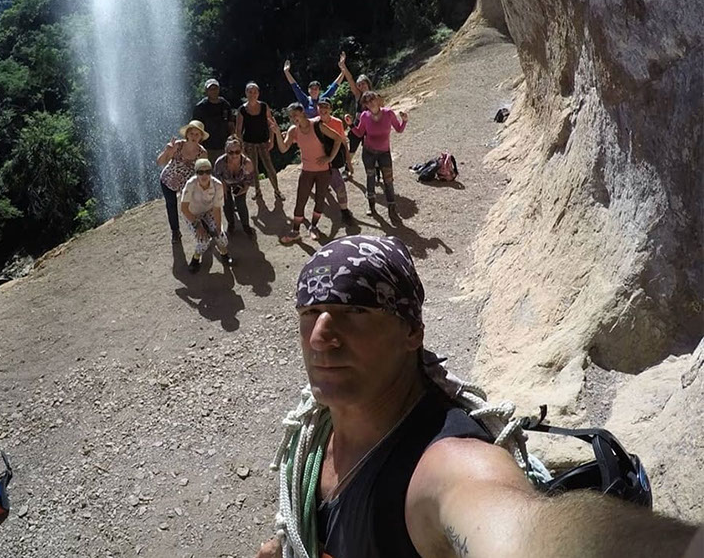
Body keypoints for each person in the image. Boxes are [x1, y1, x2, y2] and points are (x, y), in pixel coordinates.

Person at [256, 235, 700, 558]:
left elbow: (520, 534)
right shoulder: (318, 431)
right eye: (311, 311)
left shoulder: (445, 464)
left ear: (412, 331)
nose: (320, 337)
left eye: (354, 310)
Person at [275, 103, 345, 243]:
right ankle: (295, 231)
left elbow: (338, 138)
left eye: (295, 114)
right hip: (307, 170)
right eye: (291, 116)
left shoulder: (317, 125)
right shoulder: (293, 130)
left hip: (324, 170)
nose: (293, 118)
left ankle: (314, 226)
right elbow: (283, 148)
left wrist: (330, 158)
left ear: (302, 113)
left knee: (320, 199)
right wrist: (277, 133)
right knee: (301, 200)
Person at [346, 91, 408, 220]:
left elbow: (399, 129)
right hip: (368, 152)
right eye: (367, 102)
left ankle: (392, 211)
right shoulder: (364, 116)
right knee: (370, 178)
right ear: (365, 105)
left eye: (372, 99)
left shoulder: (388, 113)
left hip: (384, 152)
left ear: (377, 100)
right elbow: (359, 133)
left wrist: (404, 121)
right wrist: (351, 124)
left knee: (388, 181)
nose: (370, 103)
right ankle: (371, 207)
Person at [156, 120, 208, 242]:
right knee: (171, 204)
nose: (194, 136)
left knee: (193, 204)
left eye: (197, 134)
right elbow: (160, 162)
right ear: (187, 134)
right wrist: (167, 151)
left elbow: (202, 171)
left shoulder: (202, 153)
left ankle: (203, 227)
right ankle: (175, 232)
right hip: (168, 180)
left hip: (186, 183)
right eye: (191, 133)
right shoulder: (178, 145)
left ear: (201, 137)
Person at [235, 82, 285, 202]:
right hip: (249, 142)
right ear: (246, 93)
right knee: (253, 169)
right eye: (250, 92)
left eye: (255, 92)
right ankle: (257, 191)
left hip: (263, 142)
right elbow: (238, 129)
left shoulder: (263, 106)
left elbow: (271, 123)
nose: (252, 94)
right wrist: (240, 146)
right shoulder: (242, 110)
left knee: (269, 167)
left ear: (258, 93)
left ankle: (277, 190)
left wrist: (271, 140)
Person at [179, 158, 231, 272]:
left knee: (222, 238)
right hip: (192, 213)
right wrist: (197, 225)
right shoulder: (190, 184)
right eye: (200, 172)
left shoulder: (217, 185)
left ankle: (224, 254)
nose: (204, 175)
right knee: (204, 241)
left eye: (207, 171)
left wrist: (218, 228)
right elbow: (184, 208)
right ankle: (195, 259)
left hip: (208, 211)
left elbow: (217, 208)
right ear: (196, 173)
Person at [315, 97, 355, 225]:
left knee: (340, 187)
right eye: (321, 106)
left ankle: (345, 211)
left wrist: (349, 163)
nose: (323, 109)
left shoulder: (337, 123)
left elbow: (343, 143)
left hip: (331, 161)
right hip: (317, 161)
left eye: (326, 107)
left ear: (331, 109)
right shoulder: (313, 123)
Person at [212, 137, 256, 236]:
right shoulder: (220, 162)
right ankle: (231, 223)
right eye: (230, 152)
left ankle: (246, 226)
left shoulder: (247, 163)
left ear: (241, 150)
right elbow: (217, 178)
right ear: (226, 151)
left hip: (240, 182)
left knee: (240, 202)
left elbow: (249, 181)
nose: (234, 155)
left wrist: (244, 189)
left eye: (237, 152)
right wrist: (223, 188)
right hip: (225, 182)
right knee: (226, 202)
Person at [192, 78, 235, 164]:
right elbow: (195, 127)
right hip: (206, 147)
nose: (213, 91)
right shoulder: (200, 107)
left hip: (223, 146)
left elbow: (230, 125)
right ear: (206, 91)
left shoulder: (225, 105)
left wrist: (233, 140)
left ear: (219, 89)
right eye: (211, 89)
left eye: (215, 88)